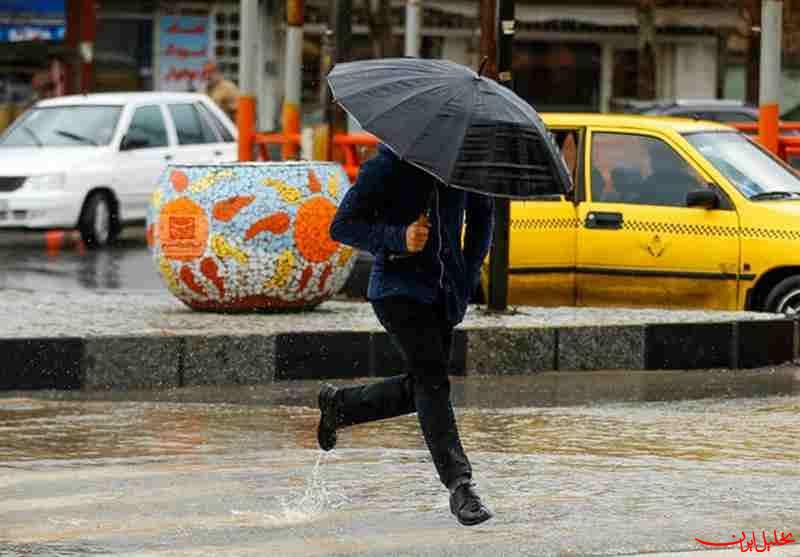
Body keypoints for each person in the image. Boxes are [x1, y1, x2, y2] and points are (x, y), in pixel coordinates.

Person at [318, 144, 495, 527]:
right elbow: (343, 225)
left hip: (444, 295)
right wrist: (400, 237)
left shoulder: (465, 163)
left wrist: (465, 280)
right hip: (397, 291)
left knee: (423, 385)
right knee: (433, 382)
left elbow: (482, 221)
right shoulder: (388, 164)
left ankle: (342, 407)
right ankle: (460, 486)